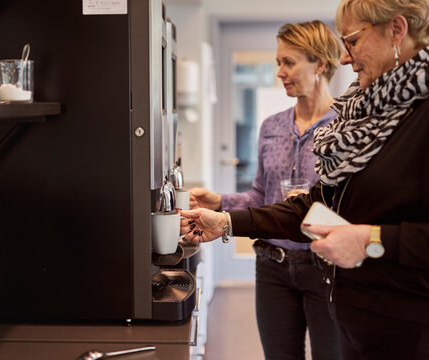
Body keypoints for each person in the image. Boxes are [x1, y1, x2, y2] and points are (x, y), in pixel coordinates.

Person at [181, 0, 429, 358]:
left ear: (396, 30)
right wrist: (226, 221)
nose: (346, 58)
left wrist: (371, 239)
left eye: (354, 41)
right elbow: (314, 206)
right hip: (357, 319)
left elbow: (379, 234)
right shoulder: (365, 118)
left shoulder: (413, 118)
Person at [190, 20, 342, 359]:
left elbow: (351, 205)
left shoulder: (344, 129)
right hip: (273, 265)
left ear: (319, 63)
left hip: (325, 267)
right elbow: (261, 196)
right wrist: (221, 202)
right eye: (278, 63)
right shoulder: (271, 127)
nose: (280, 72)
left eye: (289, 62)